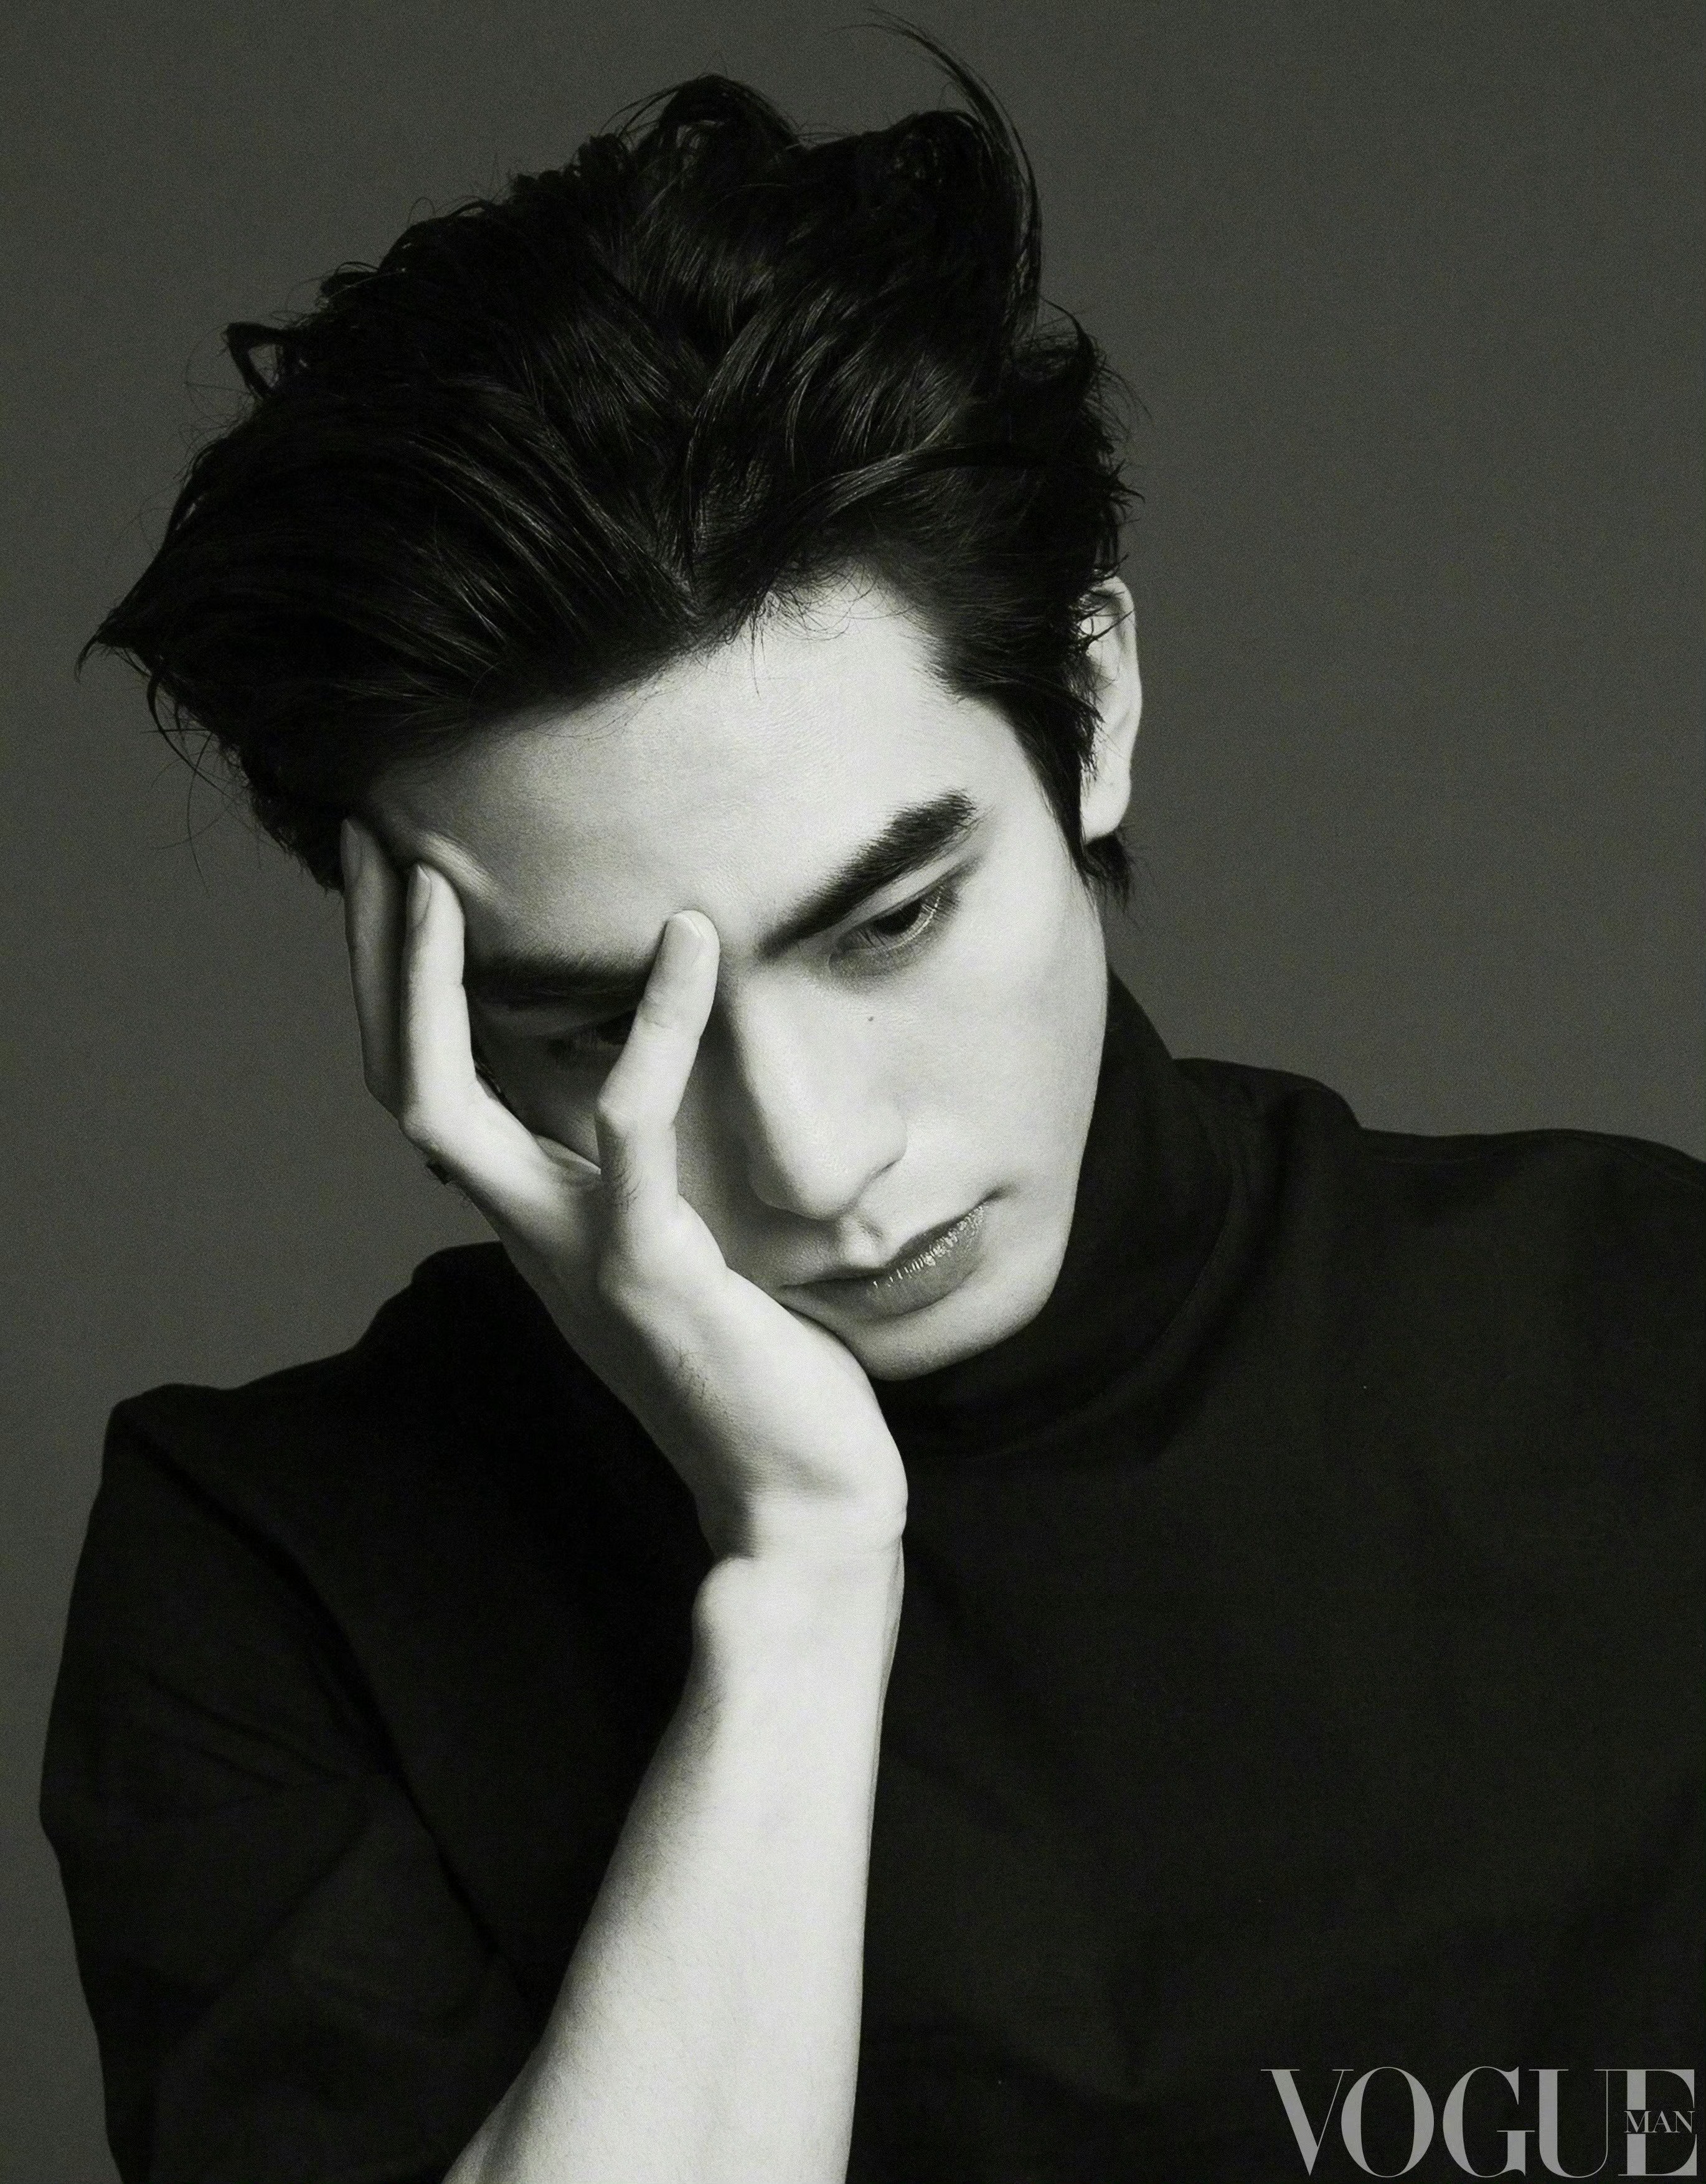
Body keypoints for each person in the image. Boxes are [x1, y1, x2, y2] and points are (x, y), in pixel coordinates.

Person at [42, 42, 1702, 2184]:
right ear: (422, 1015)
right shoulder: (275, 1572)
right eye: (604, 1031)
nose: (816, 1161)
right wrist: (805, 1576)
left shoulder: (1646, 1343)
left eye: (890, 922)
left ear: (1090, 704)